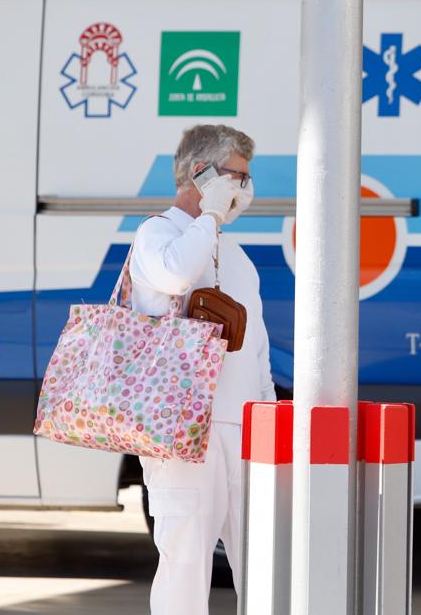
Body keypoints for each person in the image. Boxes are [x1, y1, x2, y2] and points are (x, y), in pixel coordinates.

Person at [131, 124, 274, 615]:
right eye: (235, 177)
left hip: (244, 431)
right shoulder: (156, 234)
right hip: (180, 435)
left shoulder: (238, 258)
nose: (244, 190)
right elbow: (176, 274)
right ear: (200, 173)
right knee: (186, 562)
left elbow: (257, 351)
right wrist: (209, 215)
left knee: (264, 561)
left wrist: (269, 424)